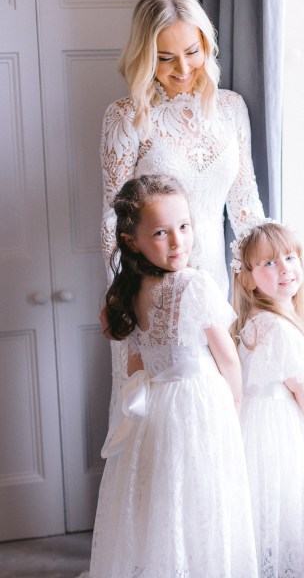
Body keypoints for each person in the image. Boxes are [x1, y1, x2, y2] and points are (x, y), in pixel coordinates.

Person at [100, 0, 264, 473]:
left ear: (207, 45)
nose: (182, 69)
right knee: (165, 433)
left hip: (218, 289)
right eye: (165, 58)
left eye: (192, 52)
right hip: (154, 296)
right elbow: (112, 222)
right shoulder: (126, 117)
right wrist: (127, 302)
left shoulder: (231, 108)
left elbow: (247, 206)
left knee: (219, 422)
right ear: (144, 57)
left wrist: (264, 296)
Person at [89, 174, 258, 578]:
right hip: (199, 404)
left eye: (184, 227)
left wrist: (137, 416)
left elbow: (135, 366)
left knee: (161, 502)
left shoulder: (128, 289)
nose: (178, 241)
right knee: (200, 500)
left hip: (154, 409)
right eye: (161, 232)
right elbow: (228, 360)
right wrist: (232, 410)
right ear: (133, 241)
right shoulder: (194, 284)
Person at [230, 217, 304, 578]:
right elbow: (301, 386)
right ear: (247, 278)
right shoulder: (278, 326)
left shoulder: (258, 319)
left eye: (290, 258)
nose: (284, 269)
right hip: (274, 426)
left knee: (262, 500)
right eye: (269, 263)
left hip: (255, 421)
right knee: (283, 499)